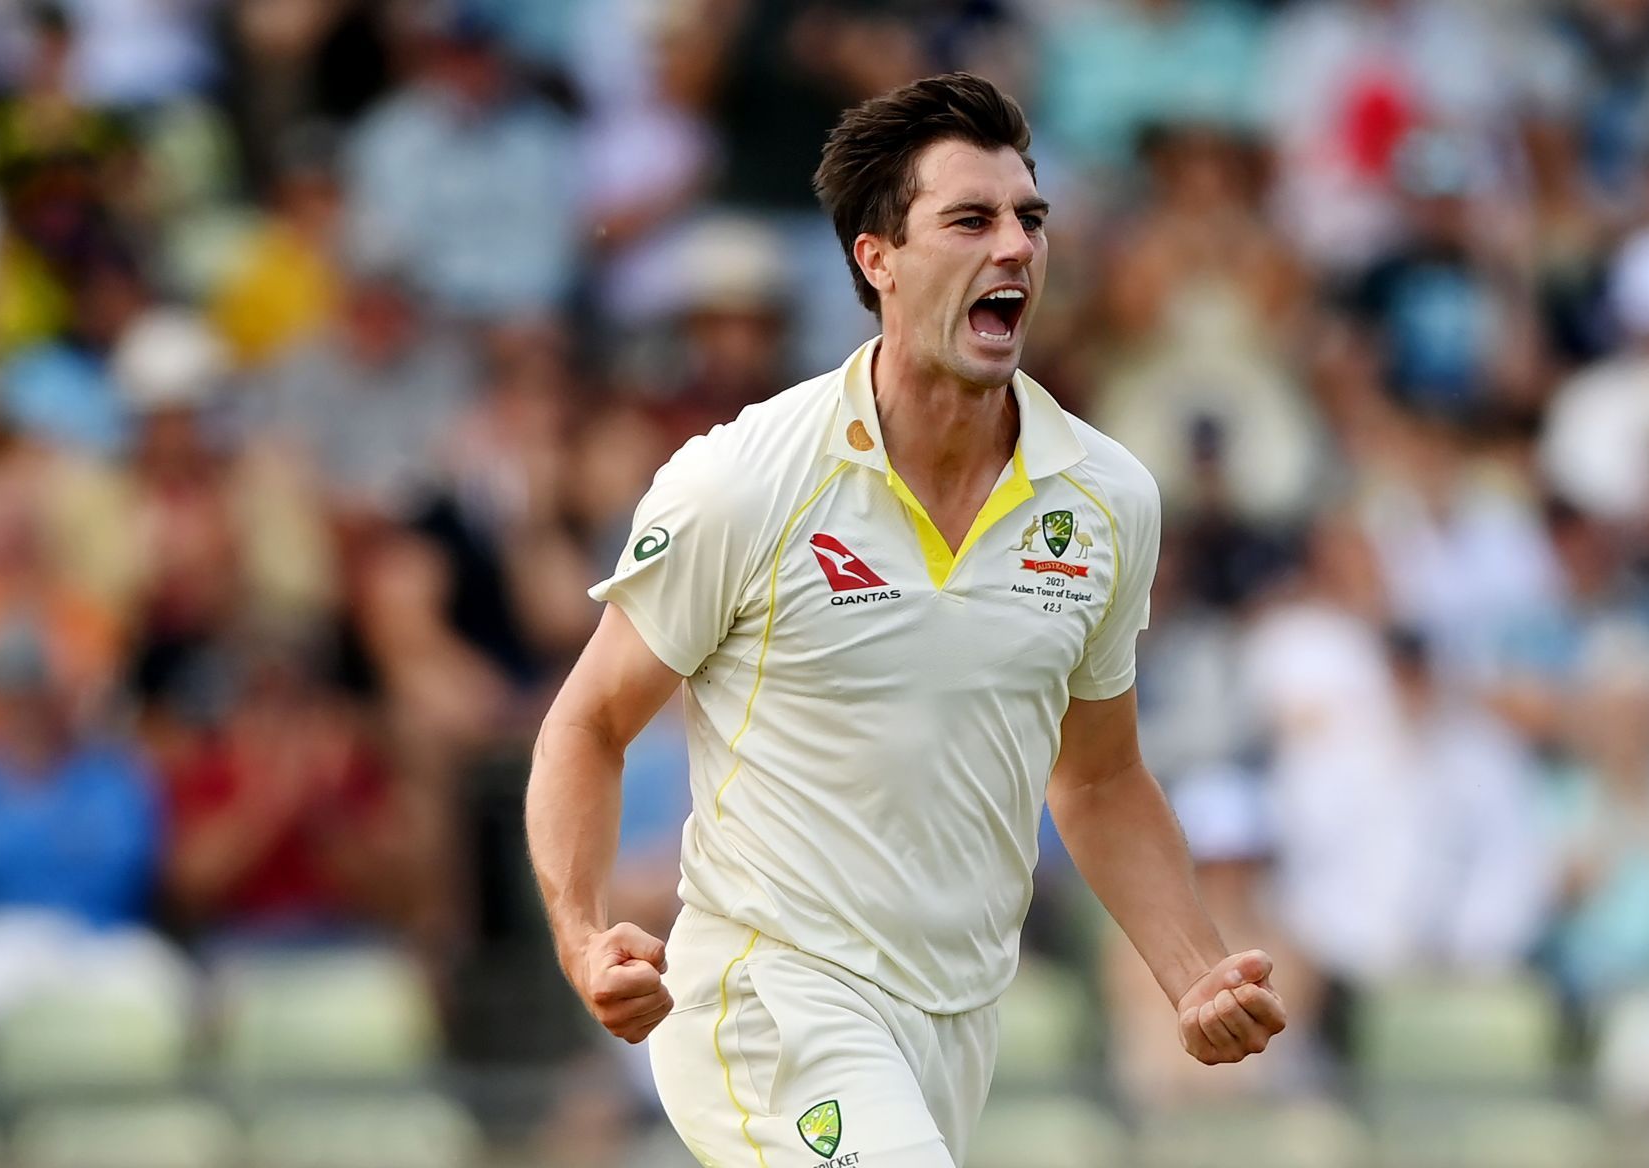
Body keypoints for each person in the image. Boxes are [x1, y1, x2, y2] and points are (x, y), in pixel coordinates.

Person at [526, 74, 1286, 1168]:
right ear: (877, 259)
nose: (1015, 246)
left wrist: (1193, 969)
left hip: (955, 1019)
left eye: (1030, 218)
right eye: (970, 220)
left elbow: (1101, 776)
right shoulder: (746, 480)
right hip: (768, 992)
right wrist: (585, 934)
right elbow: (587, 723)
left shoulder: (1107, 497)